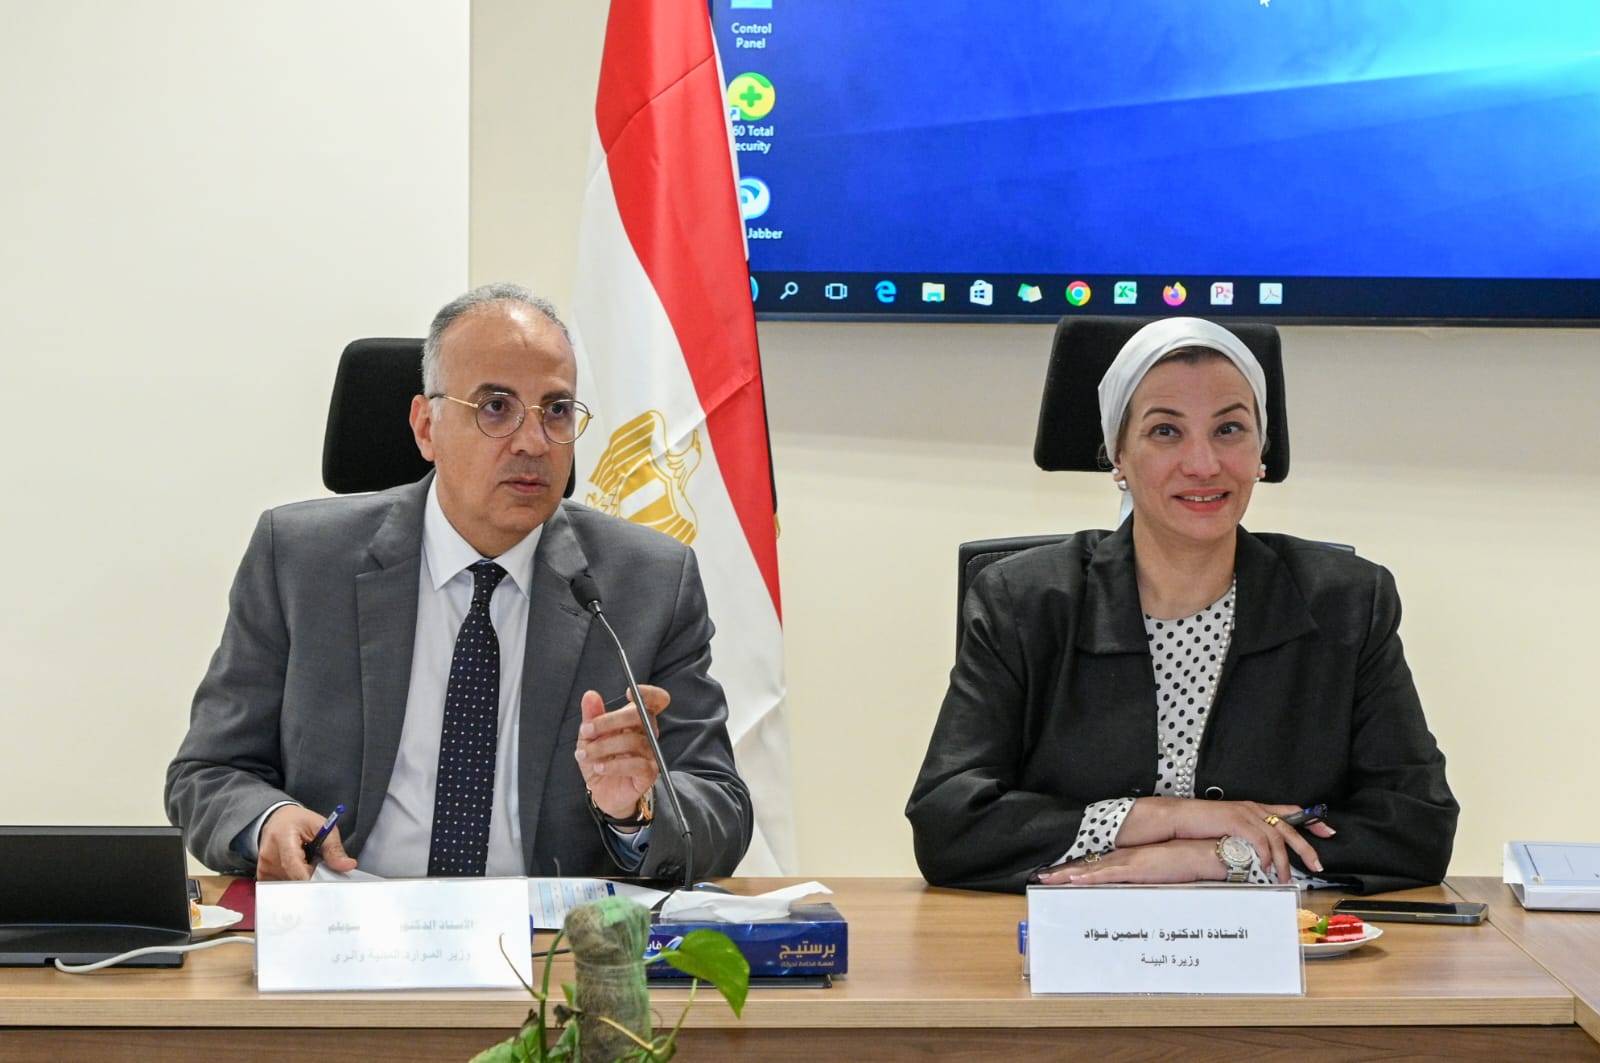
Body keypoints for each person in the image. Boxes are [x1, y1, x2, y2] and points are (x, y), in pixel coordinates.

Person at [166, 283, 752, 881]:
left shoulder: (648, 582)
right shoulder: (300, 559)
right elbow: (208, 773)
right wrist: (270, 818)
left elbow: (721, 806)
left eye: (556, 410)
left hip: (551, 931)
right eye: (496, 407)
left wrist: (635, 812)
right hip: (346, 913)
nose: (533, 442)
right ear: (426, 427)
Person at [906, 317, 1457, 894]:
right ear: (1118, 455)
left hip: (1279, 940)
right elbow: (949, 820)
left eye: (1229, 429)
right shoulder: (1024, 600)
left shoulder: (1347, 602)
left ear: (1261, 451)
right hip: (1071, 934)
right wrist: (1167, 819)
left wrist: (1215, 856)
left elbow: (1417, 824)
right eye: (1166, 431)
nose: (1203, 463)